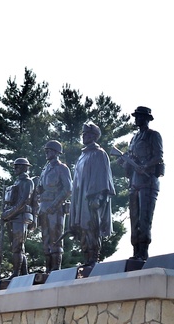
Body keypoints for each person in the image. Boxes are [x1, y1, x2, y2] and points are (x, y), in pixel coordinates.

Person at [120, 106, 164, 262]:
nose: (136, 119)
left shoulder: (153, 135)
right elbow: (129, 158)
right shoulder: (134, 138)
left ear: (146, 119)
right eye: (136, 116)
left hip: (148, 181)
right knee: (134, 219)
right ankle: (135, 250)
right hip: (134, 183)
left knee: (145, 218)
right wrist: (125, 162)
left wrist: (144, 166)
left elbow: (158, 156)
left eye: (139, 116)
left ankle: (143, 252)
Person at [69, 124, 115, 266]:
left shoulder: (99, 153)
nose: (83, 136)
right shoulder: (82, 156)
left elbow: (103, 176)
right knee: (82, 228)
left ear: (94, 136)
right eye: (83, 134)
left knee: (91, 227)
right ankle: (87, 257)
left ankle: (94, 257)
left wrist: (99, 197)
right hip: (80, 199)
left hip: (92, 198)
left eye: (87, 134)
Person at [36, 140, 72, 272]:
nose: (47, 152)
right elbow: (41, 189)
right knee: (45, 238)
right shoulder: (45, 170)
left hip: (55, 208)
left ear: (57, 153)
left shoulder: (62, 168)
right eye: (46, 150)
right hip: (44, 207)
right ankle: (48, 268)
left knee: (55, 239)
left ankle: (55, 269)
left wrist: (55, 204)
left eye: (49, 150)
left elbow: (68, 189)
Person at [2, 157, 36, 277]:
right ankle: (24, 273)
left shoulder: (27, 182)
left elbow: (24, 201)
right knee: (18, 247)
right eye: (15, 166)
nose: (15, 168)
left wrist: (9, 213)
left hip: (21, 216)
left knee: (17, 246)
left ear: (24, 168)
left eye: (18, 166)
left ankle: (16, 273)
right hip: (14, 217)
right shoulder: (17, 182)